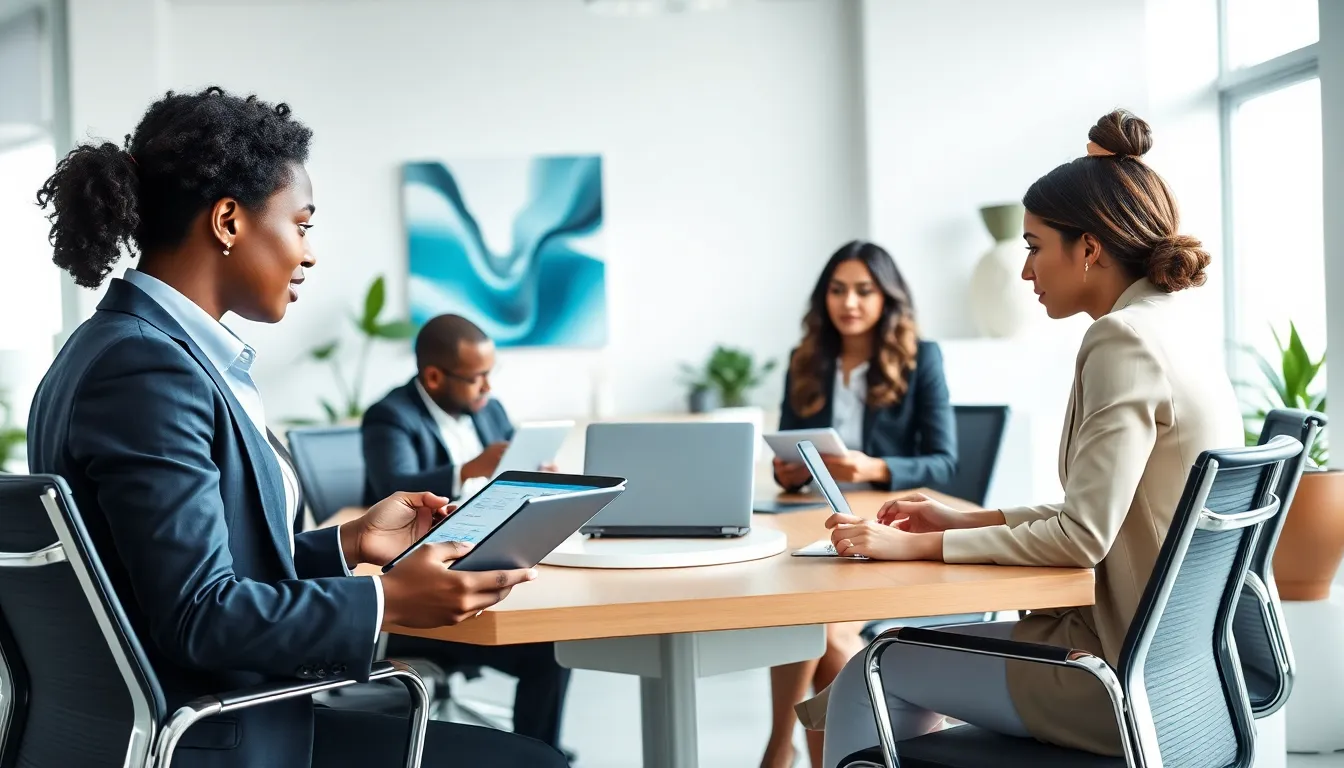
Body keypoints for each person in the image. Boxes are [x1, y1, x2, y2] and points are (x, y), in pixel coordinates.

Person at [26, 86, 566, 768]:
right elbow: (200, 616)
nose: (309, 253)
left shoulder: (132, 350)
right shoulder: (146, 370)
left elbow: (179, 576)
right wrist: (384, 597)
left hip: (197, 725)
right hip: (220, 739)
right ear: (228, 221)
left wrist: (348, 543)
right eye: (302, 224)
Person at [804, 110, 1243, 767]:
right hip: (1184, 676)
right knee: (888, 658)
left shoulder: (1121, 340)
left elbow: (1082, 536)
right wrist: (965, 518)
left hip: (1115, 677)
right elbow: (1105, 516)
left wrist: (920, 545)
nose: (1025, 271)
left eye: (1035, 247)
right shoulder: (1173, 325)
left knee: (875, 667)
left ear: (1089, 248)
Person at [763, 240, 957, 768]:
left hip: (892, 528)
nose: (849, 302)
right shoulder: (806, 360)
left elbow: (945, 462)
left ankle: (778, 748)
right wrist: (790, 467)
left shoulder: (920, 357)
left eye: (863, 291)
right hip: (819, 520)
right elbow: (791, 443)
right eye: (838, 290)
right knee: (809, 622)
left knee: (816, 625)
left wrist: (873, 467)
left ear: (886, 298)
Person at [361, 315, 571, 752]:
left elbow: (507, 478)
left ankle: (537, 755)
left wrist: (533, 477)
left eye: (490, 376)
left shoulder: (487, 409)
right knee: (547, 651)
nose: (487, 389)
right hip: (419, 592)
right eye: (477, 378)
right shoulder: (389, 416)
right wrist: (468, 469)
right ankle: (532, 758)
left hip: (487, 556)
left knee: (555, 645)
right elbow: (391, 486)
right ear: (435, 376)